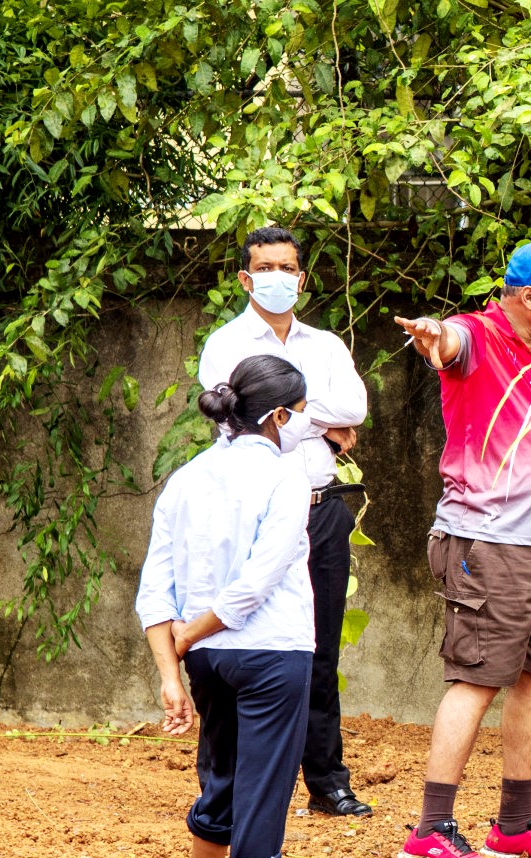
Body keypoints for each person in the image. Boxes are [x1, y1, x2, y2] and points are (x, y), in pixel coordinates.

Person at [391, 241, 531, 858]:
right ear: (530, 296)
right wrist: (434, 335)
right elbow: (448, 341)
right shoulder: (479, 336)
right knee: (477, 678)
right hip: (489, 540)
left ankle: (514, 823)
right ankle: (431, 827)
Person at [137, 354, 315, 858]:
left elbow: (154, 589)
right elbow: (256, 585)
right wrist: (191, 633)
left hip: (207, 661)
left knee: (220, 779)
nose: (304, 422)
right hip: (272, 653)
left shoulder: (185, 478)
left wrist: (170, 669)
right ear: (278, 415)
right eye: (300, 410)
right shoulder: (287, 478)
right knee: (262, 793)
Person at [198, 225, 372, 819]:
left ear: (302, 275)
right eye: (266, 267)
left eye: (288, 267)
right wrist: (319, 423)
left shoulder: (324, 344)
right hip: (252, 514)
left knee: (318, 650)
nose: (279, 277)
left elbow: (357, 406)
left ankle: (327, 781)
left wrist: (298, 414)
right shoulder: (224, 344)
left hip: (320, 512)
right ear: (247, 279)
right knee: (237, 640)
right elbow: (233, 421)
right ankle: (229, 781)